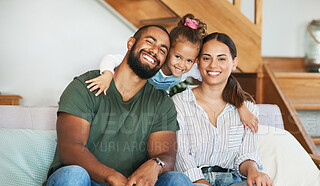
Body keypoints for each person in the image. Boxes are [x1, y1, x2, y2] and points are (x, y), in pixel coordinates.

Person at [43, 25, 195, 186]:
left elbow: (166, 153)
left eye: (163, 49)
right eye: (150, 42)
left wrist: (155, 165)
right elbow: (70, 148)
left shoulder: (160, 102)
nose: (155, 50)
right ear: (130, 43)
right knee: (71, 176)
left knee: (180, 185)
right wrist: (113, 176)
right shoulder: (86, 86)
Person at [172, 32, 278, 186]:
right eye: (206, 57)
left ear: (234, 63)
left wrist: (253, 171)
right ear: (198, 63)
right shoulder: (179, 103)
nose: (214, 65)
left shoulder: (246, 108)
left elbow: (244, 156)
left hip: (230, 183)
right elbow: (182, 160)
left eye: (222, 58)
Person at [85, 14, 259, 133]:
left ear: (195, 61)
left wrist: (241, 106)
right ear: (167, 52)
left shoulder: (189, 69)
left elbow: (220, 79)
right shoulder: (153, 62)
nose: (182, 65)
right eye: (177, 57)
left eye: (189, 60)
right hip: (127, 94)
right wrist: (107, 74)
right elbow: (111, 58)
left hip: (151, 103)